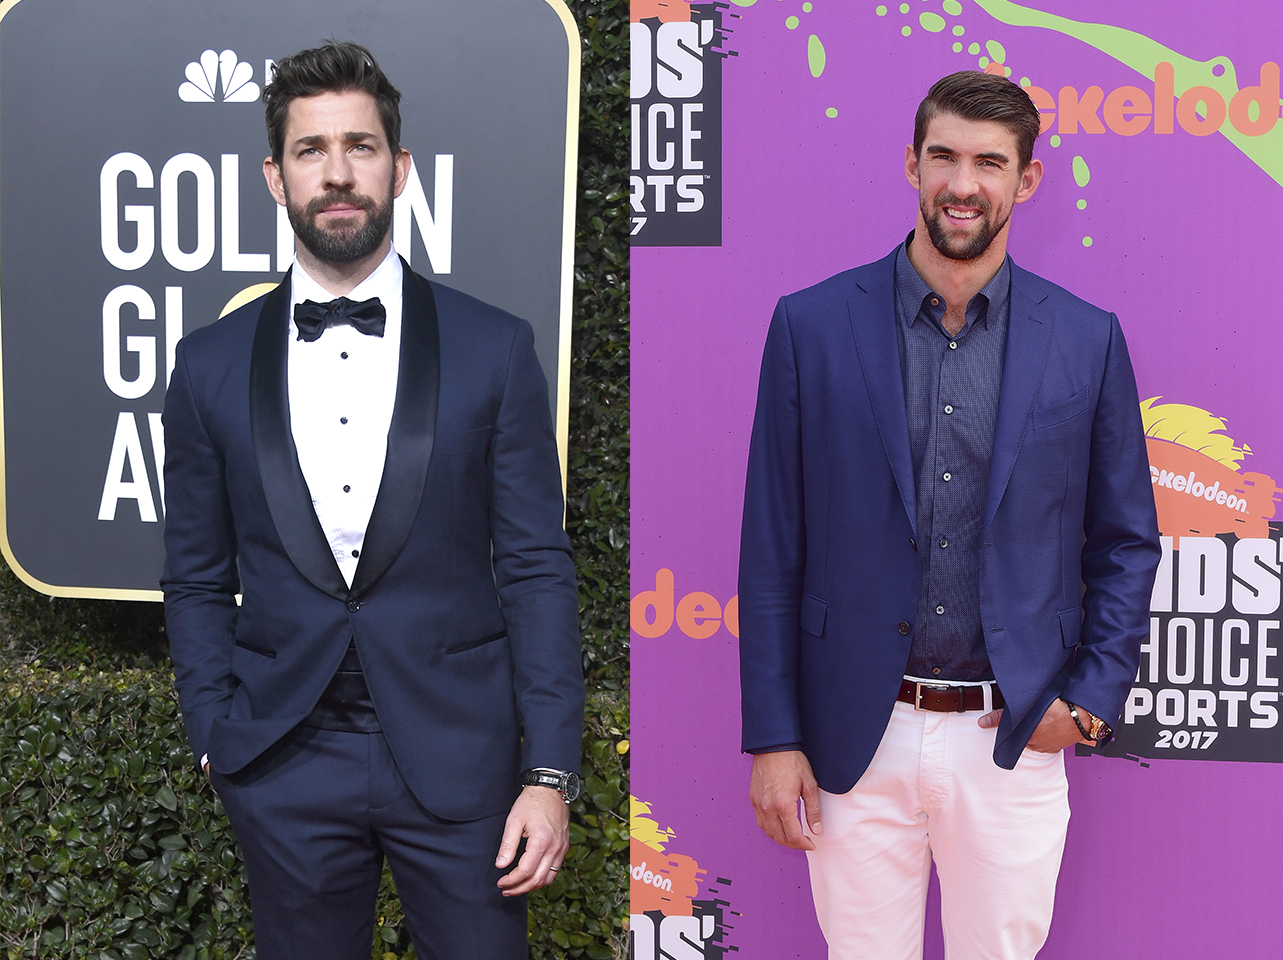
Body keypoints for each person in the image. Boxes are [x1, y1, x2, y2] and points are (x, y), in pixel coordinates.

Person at [161, 41, 584, 960]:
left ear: (400, 166)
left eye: (360, 146)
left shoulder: (493, 347)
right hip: (282, 761)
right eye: (312, 150)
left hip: (463, 760)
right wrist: (212, 733)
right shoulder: (207, 367)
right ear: (276, 177)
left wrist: (548, 772)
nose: (339, 173)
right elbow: (194, 576)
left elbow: (536, 569)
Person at [738, 70, 1160, 960]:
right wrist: (774, 737)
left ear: (1025, 180)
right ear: (911, 163)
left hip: (1010, 735)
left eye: (988, 162)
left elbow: (1125, 542)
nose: (962, 184)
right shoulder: (810, 326)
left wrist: (1084, 703)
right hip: (856, 730)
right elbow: (772, 547)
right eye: (944, 157)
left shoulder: (1087, 338)